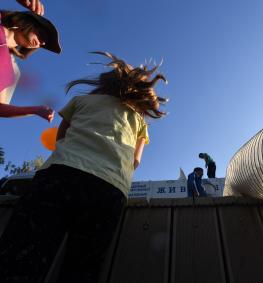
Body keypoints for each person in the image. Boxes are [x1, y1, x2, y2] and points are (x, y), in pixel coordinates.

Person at [0, 51, 168, 283]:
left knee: (22, 256)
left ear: (103, 85)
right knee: (81, 269)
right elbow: (135, 161)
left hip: (61, 176)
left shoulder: (82, 101)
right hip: (109, 189)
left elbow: (61, 139)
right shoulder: (138, 120)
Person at [0, 9, 60, 122]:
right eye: (41, 35)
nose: (42, 43)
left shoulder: (10, 70)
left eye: (44, 43)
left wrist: (36, 110)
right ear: (27, 23)